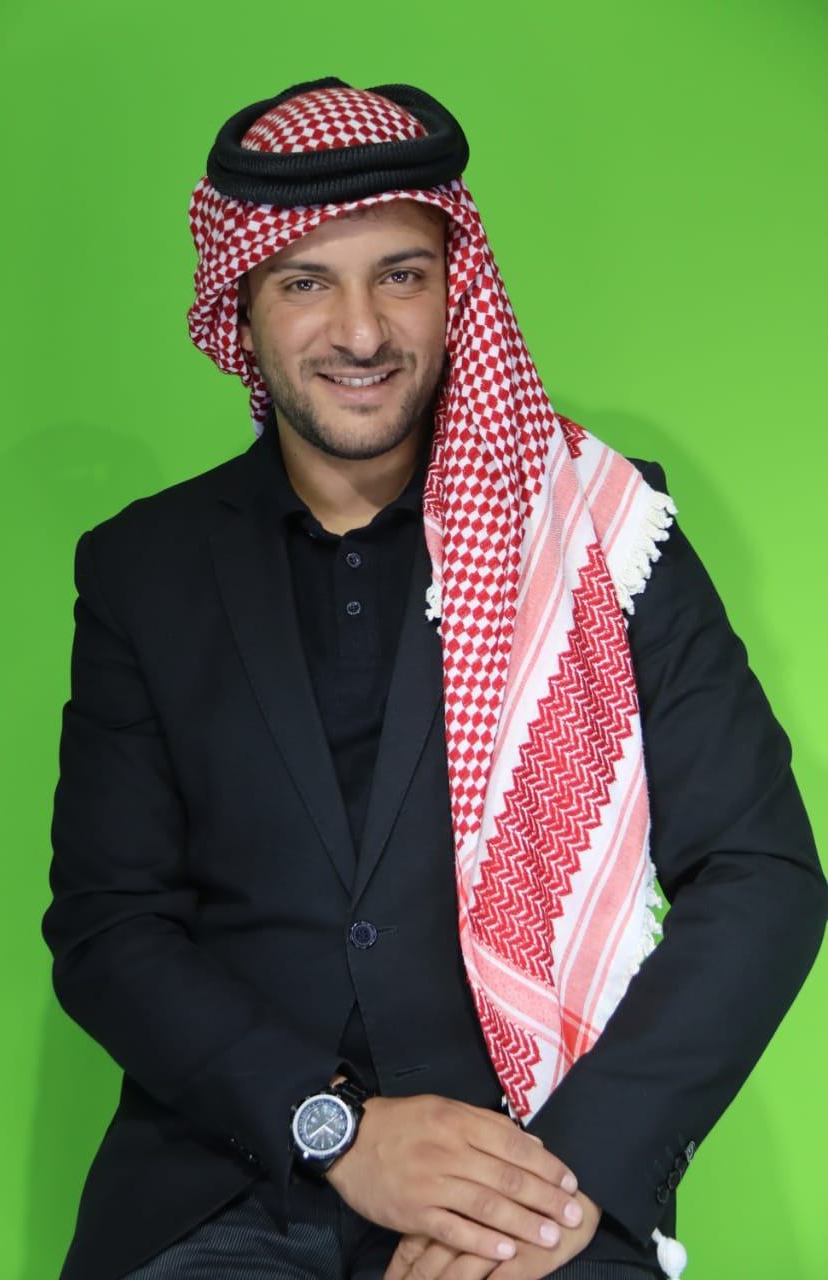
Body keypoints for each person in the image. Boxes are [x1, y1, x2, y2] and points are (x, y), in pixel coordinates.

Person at [44, 78, 826, 1280]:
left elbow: (759, 873)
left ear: (455, 290)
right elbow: (111, 925)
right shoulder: (142, 568)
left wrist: (566, 1177)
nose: (360, 332)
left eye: (400, 275)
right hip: (232, 1180)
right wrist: (335, 1126)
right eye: (306, 282)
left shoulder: (599, 531)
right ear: (240, 307)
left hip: (532, 1163)